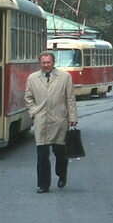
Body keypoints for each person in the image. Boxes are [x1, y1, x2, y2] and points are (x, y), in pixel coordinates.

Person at [24, 51, 77, 194]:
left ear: (53, 63)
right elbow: (28, 98)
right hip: (41, 119)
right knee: (42, 154)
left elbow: (70, 98)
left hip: (59, 119)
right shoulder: (32, 78)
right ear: (40, 63)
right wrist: (34, 111)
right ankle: (43, 184)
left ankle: (61, 173)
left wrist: (72, 117)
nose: (46, 65)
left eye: (48, 62)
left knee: (59, 151)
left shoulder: (65, 77)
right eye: (43, 63)